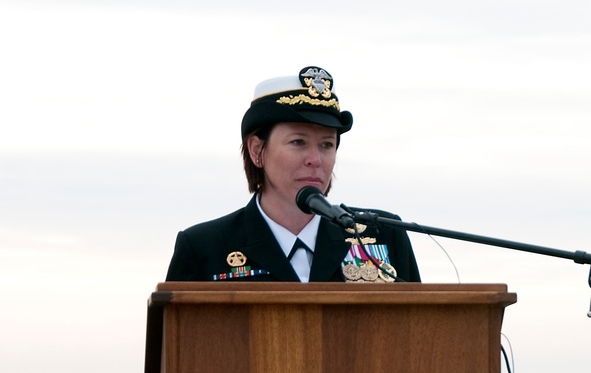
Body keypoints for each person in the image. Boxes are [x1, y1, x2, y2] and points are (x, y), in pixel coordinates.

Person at [165, 66, 420, 283]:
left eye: (327, 145)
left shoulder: (383, 236)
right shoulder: (204, 248)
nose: (315, 160)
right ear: (257, 150)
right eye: (298, 142)